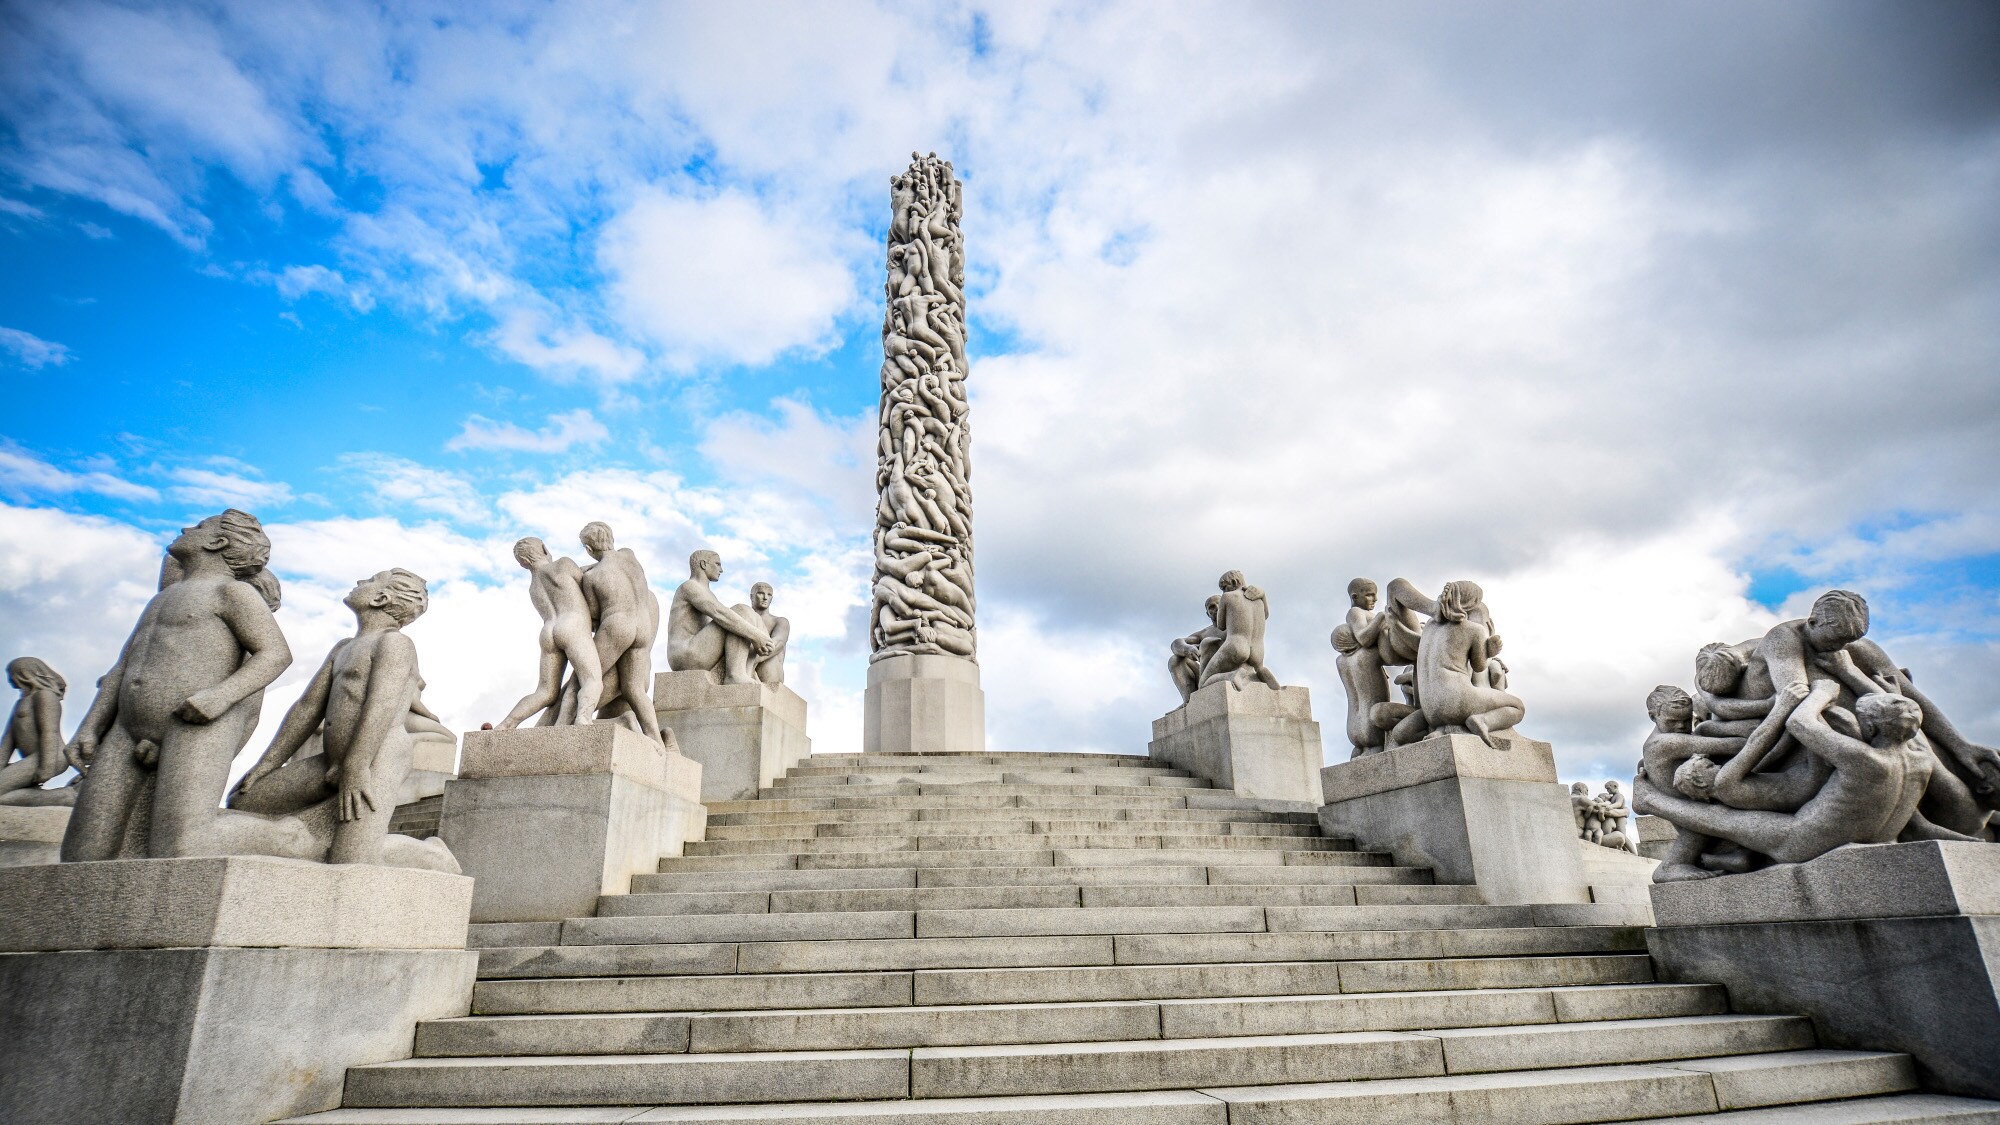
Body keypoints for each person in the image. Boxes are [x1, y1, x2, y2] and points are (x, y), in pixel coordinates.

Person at [61, 510, 298, 861]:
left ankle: (284, 837)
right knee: (83, 849)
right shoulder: (161, 599)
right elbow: (124, 666)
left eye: (201, 527)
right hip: (126, 729)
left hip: (194, 727)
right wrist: (90, 726)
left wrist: (219, 697)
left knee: (178, 847)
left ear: (217, 543)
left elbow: (276, 654)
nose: (187, 528)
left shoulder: (232, 593)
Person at [227, 569, 457, 871]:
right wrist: (268, 763)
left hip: (378, 758)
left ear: (380, 598)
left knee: (353, 859)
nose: (361, 582)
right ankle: (313, 833)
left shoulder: (395, 644)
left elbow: (381, 707)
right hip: (331, 760)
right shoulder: (343, 647)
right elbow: (307, 708)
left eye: (371, 581)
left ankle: (433, 854)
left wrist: (357, 765)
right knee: (245, 799)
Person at [1639, 680, 1937, 865]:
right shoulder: (1921, 759)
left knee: (1723, 821)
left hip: (1810, 824)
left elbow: (1766, 745)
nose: (1710, 761)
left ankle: (1652, 803)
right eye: (1707, 766)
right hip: (1809, 830)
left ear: (1871, 727)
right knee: (1718, 820)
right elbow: (1753, 743)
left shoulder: (1866, 759)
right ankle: (1648, 801)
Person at [495, 537, 603, 730]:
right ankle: (583, 720)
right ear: (544, 549)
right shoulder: (563, 564)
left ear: (523, 563)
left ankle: (506, 724)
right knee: (592, 680)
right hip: (573, 626)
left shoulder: (533, 586)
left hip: (548, 632)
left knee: (545, 692)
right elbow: (587, 586)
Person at [577, 523, 665, 742]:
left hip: (617, 624)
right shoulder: (629, 555)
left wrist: (584, 571)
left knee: (586, 677)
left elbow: (594, 615)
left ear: (588, 549)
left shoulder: (591, 577)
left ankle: (579, 720)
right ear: (612, 539)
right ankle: (655, 739)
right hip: (643, 626)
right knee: (635, 688)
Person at [1414, 581, 1523, 747]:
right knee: (1517, 706)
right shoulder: (1473, 629)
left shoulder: (1429, 627)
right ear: (1471, 603)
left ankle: (1446, 728)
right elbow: (1480, 666)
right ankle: (1483, 721)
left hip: (1431, 712)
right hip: (1456, 700)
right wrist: (1491, 652)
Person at [668, 550, 774, 687]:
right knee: (741, 611)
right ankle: (734, 675)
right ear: (703, 564)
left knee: (752, 616)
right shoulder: (690, 586)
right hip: (686, 655)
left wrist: (762, 637)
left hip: (700, 648)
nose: (721, 569)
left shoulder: (707, 592)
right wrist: (756, 636)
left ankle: (746, 673)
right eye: (717, 564)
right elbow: (720, 613)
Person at [0, 657, 72, 806]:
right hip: (34, 758)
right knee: (4, 799)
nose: (9, 679)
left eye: (11, 674)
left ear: (24, 674)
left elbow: (49, 732)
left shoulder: (45, 696)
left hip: (52, 756)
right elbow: (7, 742)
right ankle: (55, 796)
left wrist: (46, 767)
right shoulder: (21, 703)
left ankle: (65, 796)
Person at [1198, 570, 1280, 690]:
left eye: (1224, 587)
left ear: (1233, 582)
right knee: (1259, 667)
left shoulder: (1227, 597)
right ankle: (1267, 678)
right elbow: (1266, 615)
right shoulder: (1259, 599)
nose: (1223, 592)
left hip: (1236, 645)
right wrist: (1262, 594)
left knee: (1203, 683)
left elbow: (1221, 626)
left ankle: (1232, 675)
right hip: (1258, 651)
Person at [733, 582, 791, 686]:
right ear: (752, 597)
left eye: (769, 595)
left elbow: (778, 643)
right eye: (760, 593)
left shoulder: (780, 621)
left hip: (770, 679)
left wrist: (749, 663)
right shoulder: (744, 617)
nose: (765, 598)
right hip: (745, 676)